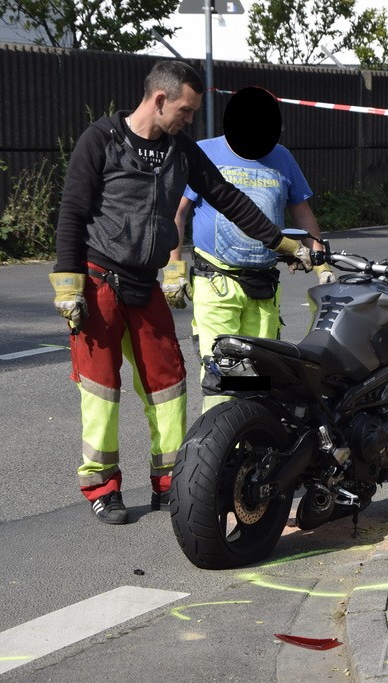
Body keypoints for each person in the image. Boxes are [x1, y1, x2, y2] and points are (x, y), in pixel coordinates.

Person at [50, 60, 315, 525]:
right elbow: (72, 212)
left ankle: (170, 481)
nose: (189, 120)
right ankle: (102, 486)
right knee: (101, 388)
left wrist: (284, 242)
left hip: (142, 283)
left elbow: (229, 199)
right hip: (98, 280)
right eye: (186, 111)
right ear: (159, 100)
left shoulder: (180, 150)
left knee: (167, 382)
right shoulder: (102, 140)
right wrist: (69, 283)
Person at [170, 86, 334, 414]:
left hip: (263, 288)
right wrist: (172, 270)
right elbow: (177, 212)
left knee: (258, 378)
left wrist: (322, 265)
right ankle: (218, 454)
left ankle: (250, 452)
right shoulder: (204, 152)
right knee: (223, 375)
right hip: (216, 284)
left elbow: (302, 213)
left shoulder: (282, 157)